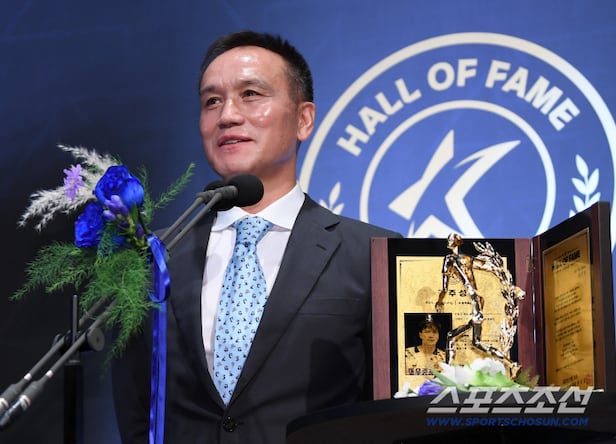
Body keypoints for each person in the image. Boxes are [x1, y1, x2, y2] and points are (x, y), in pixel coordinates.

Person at [111, 30, 402, 444]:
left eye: (250, 94)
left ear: (304, 119)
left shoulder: (373, 255)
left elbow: (392, 414)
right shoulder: (154, 257)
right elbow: (136, 408)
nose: (227, 115)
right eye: (212, 101)